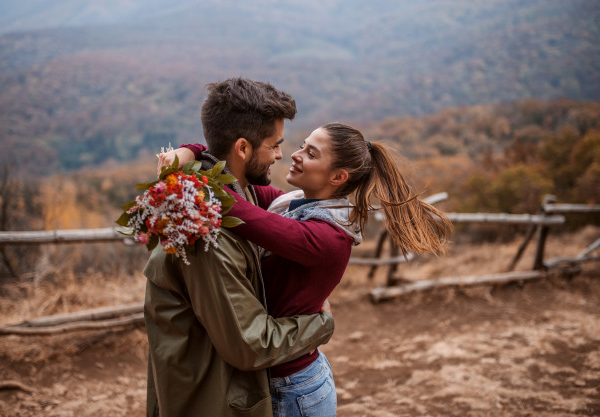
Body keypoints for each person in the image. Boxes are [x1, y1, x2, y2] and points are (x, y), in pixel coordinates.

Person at [163, 123, 452, 416]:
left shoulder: (325, 237)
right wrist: (192, 150)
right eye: (302, 145)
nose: (295, 155)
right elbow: (233, 180)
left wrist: (190, 159)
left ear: (338, 177)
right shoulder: (291, 203)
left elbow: (231, 204)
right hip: (276, 376)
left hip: (293, 388)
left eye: (311, 154)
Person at [143, 77, 337, 417]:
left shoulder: (231, 189)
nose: (281, 154)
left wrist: (190, 150)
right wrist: (320, 324)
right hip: (211, 398)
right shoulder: (205, 231)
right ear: (243, 149)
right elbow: (249, 345)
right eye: (274, 145)